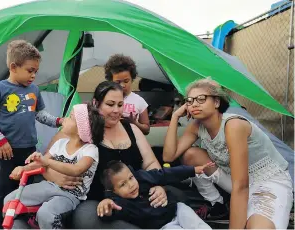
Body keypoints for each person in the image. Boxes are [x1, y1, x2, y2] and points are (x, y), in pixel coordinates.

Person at [33, 81, 168, 229]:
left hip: (134, 195)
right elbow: (44, 160)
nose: (117, 110)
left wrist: (157, 185)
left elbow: (150, 163)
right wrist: (54, 176)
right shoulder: (78, 130)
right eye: (110, 104)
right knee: (88, 218)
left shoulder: (132, 129)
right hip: (95, 202)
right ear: (96, 103)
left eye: (120, 104)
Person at [163, 79, 293, 229]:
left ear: (217, 102)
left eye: (201, 99)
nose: (194, 104)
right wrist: (174, 117)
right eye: (190, 101)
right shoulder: (197, 126)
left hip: (267, 182)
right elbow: (168, 156)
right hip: (235, 181)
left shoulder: (233, 125)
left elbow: (241, 186)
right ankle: (217, 202)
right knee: (190, 154)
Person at [0, 40, 64, 229]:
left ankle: (18, 224)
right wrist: (0, 141)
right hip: (5, 150)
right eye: (30, 70)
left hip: (28, 151)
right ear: (13, 67)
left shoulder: (34, 90)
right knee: (0, 191)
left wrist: (59, 121)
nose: (34, 75)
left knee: (24, 191)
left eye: (36, 70)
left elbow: (40, 115)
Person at [4, 104, 104, 229]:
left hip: (70, 196)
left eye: (70, 117)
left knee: (46, 214)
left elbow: (76, 170)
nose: (65, 119)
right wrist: (23, 169)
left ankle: (42, 221)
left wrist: (47, 162)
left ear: (81, 129)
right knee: (9, 201)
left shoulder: (90, 150)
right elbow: (42, 162)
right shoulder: (60, 143)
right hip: (49, 185)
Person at [97, 161, 213, 229]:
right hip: (165, 226)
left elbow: (165, 174)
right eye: (123, 185)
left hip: (176, 210)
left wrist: (192, 170)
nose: (131, 185)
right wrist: (106, 206)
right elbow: (111, 212)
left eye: (131, 178)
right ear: (114, 191)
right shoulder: (119, 202)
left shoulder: (142, 178)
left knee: (196, 223)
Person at [105, 54, 150, 135]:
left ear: (132, 79)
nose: (122, 85)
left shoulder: (139, 101)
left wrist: (135, 123)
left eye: (126, 81)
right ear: (110, 81)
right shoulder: (104, 98)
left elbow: (147, 130)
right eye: (118, 82)